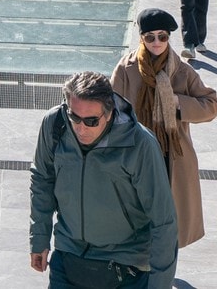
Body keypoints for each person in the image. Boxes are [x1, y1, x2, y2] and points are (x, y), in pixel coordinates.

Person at [28, 69, 176, 287]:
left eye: (91, 121)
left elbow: (163, 220)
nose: (80, 128)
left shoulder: (140, 144)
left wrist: (159, 284)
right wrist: (39, 237)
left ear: (109, 113)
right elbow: (42, 179)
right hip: (68, 256)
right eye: (74, 117)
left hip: (125, 265)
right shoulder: (55, 125)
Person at [110, 7, 217, 248]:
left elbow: (211, 105)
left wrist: (179, 102)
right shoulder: (126, 68)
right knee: (137, 218)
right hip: (136, 152)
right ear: (141, 38)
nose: (157, 42)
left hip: (172, 155)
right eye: (150, 37)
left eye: (163, 36)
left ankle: (163, 273)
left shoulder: (181, 70)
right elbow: (111, 108)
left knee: (169, 224)